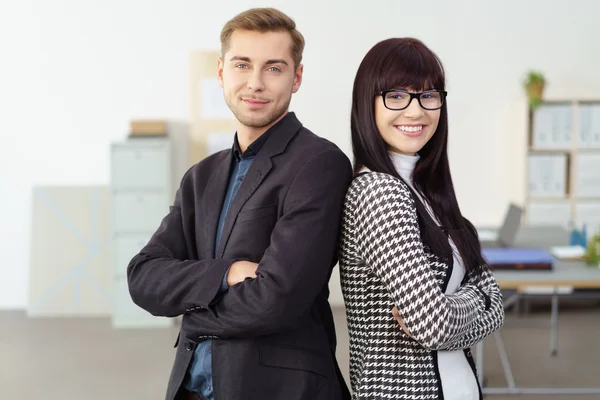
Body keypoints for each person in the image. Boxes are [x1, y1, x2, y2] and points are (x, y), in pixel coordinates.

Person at [126, 8, 352, 400]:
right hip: (192, 390)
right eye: (242, 65)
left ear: (297, 77)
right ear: (221, 72)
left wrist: (191, 316)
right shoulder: (201, 176)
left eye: (274, 68)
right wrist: (226, 273)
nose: (255, 83)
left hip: (277, 390)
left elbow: (275, 300)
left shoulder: (319, 164)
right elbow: (143, 277)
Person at [338, 37, 505, 400]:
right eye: (396, 96)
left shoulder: (429, 191)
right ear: (367, 104)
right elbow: (433, 325)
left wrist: (468, 303)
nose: (416, 112)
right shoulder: (378, 193)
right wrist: (480, 299)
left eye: (428, 95)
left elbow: (494, 305)